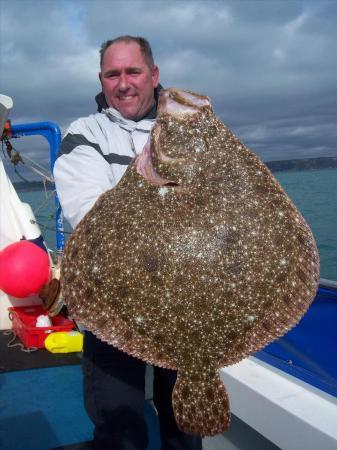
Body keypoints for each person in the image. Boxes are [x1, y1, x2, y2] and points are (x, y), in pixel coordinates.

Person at [54, 36, 203, 450]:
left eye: (133, 72)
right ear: (101, 80)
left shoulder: (190, 128)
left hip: (186, 302)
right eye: (112, 74)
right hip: (113, 304)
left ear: (153, 76)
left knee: (184, 429)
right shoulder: (85, 134)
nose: (123, 84)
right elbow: (89, 214)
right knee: (120, 428)